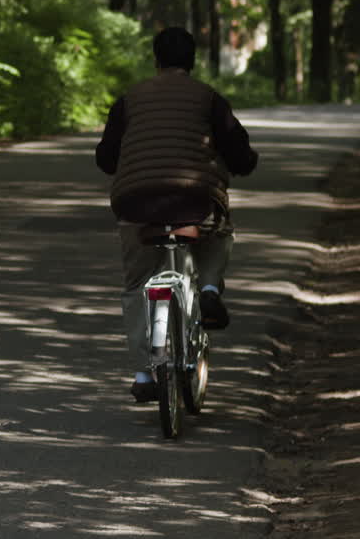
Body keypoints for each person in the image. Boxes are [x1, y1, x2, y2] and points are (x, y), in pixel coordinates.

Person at [95, 26, 259, 403]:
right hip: (195, 201)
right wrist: (241, 163)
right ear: (193, 61)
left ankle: (143, 374)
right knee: (218, 233)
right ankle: (209, 289)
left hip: (136, 204)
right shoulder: (209, 99)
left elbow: (106, 159)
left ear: (156, 60)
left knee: (137, 284)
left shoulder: (128, 101)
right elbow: (240, 154)